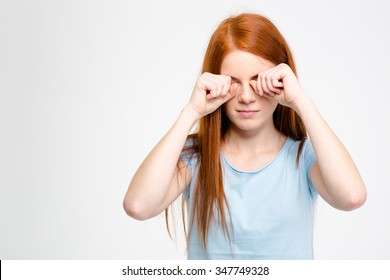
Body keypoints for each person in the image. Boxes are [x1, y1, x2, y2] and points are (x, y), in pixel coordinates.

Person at [123, 13, 367, 259]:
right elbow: (138, 206)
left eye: (258, 80)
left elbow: (352, 197)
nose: (247, 97)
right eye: (233, 81)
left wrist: (301, 101)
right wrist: (192, 111)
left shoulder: (303, 156)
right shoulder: (196, 156)